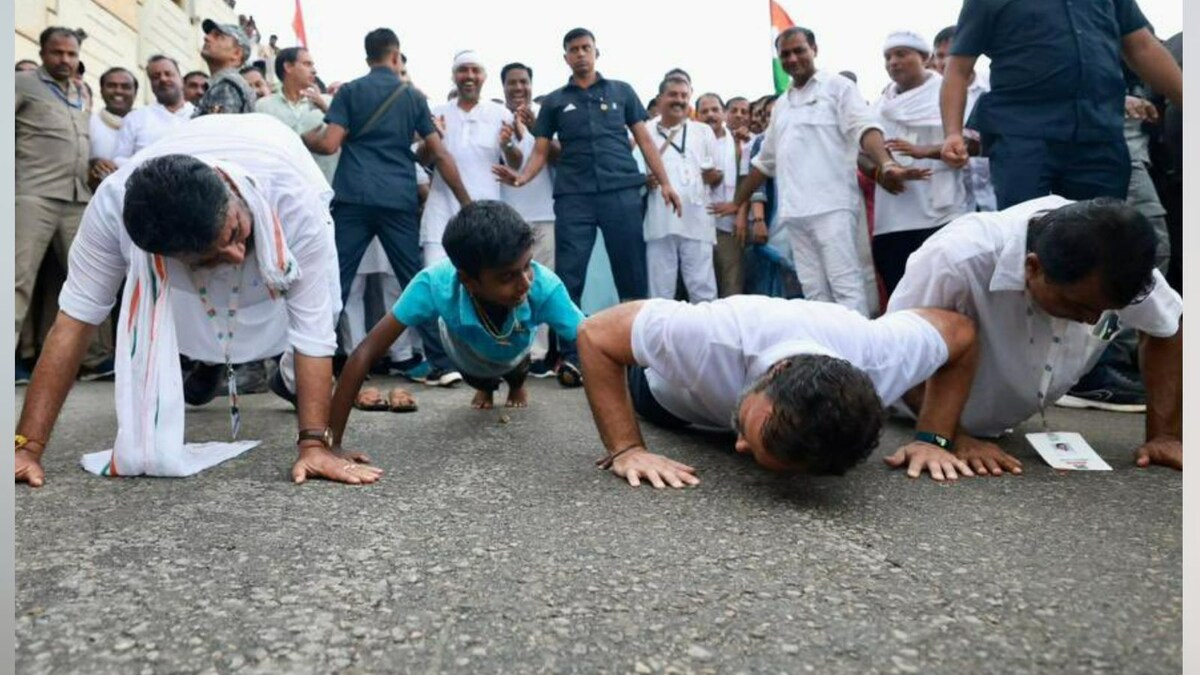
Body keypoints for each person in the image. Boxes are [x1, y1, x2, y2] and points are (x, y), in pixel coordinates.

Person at [14, 113, 377, 488]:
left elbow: (313, 333)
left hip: (275, 149)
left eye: (235, 231)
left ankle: (289, 378)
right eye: (212, 257)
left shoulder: (294, 201)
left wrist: (315, 445)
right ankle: (208, 360)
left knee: (324, 307)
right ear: (161, 256)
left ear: (229, 189)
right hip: (180, 228)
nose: (237, 255)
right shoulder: (110, 211)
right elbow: (73, 324)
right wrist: (26, 447)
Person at [888, 196, 1183, 472]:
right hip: (907, 413)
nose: (1092, 320)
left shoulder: (1121, 261)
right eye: (1079, 306)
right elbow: (902, 352)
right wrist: (950, 436)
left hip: (1001, 421)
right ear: (1033, 266)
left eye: (1108, 311)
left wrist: (1165, 435)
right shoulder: (958, 258)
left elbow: (1168, 327)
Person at [576, 295, 980, 488]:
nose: (737, 448)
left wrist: (933, 437)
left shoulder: (881, 355)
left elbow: (960, 332)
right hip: (665, 397)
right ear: (777, 372)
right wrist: (626, 449)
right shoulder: (710, 336)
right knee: (626, 351)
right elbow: (596, 334)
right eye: (750, 434)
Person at [492, 27, 683, 388]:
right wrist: (520, 179)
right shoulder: (554, 102)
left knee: (631, 274)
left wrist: (667, 183)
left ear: (597, 52)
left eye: (586, 48)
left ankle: (637, 354)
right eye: (573, 50)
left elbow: (644, 140)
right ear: (565, 57)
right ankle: (573, 355)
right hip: (574, 196)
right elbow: (541, 149)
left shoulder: (621, 91)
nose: (580, 54)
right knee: (570, 275)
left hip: (620, 192)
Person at [714, 27, 928, 317]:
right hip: (795, 213)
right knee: (814, 290)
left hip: (833, 208)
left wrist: (886, 163)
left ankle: (856, 354)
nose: (792, 58)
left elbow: (864, 129)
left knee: (846, 286)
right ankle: (827, 357)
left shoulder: (837, 87)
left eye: (799, 50)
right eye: (785, 54)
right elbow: (765, 162)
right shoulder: (783, 105)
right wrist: (737, 202)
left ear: (814, 49)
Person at [330, 201, 585, 442]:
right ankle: (485, 386)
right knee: (477, 376)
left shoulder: (545, 287)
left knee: (516, 366)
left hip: (517, 350)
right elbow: (365, 352)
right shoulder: (434, 284)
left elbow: (594, 342)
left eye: (527, 265)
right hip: (466, 352)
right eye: (507, 277)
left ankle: (516, 385)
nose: (525, 283)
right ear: (468, 280)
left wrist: (622, 443)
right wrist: (331, 444)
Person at [303, 28, 473, 388]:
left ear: (368, 59)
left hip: (354, 196)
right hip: (397, 198)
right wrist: (467, 202)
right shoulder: (412, 97)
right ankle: (441, 363)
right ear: (396, 56)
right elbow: (438, 152)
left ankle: (312, 363)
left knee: (337, 279)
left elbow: (331, 143)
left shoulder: (349, 91)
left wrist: (306, 139)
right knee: (414, 278)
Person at [940, 0, 1183, 209]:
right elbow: (958, 70)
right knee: (1026, 230)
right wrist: (952, 133)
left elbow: (1142, 47)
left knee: (1103, 236)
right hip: (1022, 138)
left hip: (1099, 136)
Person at [15, 27, 101, 386]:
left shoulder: (81, 91)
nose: (65, 60)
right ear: (42, 52)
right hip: (32, 193)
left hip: (77, 197)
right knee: (17, 280)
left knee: (91, 279)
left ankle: (96, 361)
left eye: (71, 54)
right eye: (57, 53)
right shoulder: (21, 84)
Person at [859, 31, 967, 294]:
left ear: (925, 57)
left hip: (942, 214)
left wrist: (925, 152)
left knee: (950, 296)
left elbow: (970, 145)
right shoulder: (878, 107)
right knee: (903, 299)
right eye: (888, 57)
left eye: (901, 54)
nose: (893, 62)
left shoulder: (948, 96)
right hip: (893, 222)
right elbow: (860, 153)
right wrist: (881, 172)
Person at [418, 50, 522, 266]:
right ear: (454, 76)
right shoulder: (438, 112)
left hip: (486, 218)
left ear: (484, 76)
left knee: (482, 283)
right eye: (463, 70)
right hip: (441, 216)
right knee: (438, 281)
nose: (470, 76)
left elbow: (515, 164)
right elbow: (422, 159)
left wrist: (508, 144)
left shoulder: (500, 113)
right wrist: (434, 137)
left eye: (476, 70)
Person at [499, 61, 561, 377]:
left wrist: (540, 129)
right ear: (503, 86)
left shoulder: (546, 112)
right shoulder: (494, 116)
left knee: (540, 283)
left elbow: (561, 156)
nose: (518, 88)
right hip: (508, 214)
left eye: (523, 81)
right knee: (507, 285)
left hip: (543, 213)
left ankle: (539, 353)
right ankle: (510, 349)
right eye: (512, 83)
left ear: (531, 84)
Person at [643, 76, 721, 302]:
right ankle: (661, 338)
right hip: (660, 219)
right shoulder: (644, 130)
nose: (679, 100)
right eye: (673, 95)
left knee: (703, 288)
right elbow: (636, 174)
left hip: (696, 218)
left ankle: (707, 337)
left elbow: (716, 175)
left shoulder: (702, 131)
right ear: (660, 99)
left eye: (684, 96)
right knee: (660, 291)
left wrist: (711, 176)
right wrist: (644, 182)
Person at [931, 25, 995, 213]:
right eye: (940, 56)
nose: (945, 62)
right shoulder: (925, 97)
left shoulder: (993, 86)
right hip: (954, 203)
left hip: (996, 192)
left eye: (951, 55)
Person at [697, 92, 743, 297]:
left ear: (724, 114)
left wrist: (740, 210)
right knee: (701, 284)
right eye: (704, 111)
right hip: (697, 225)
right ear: (696, 116)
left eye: (715, 110)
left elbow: (746, 180)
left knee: (731, 283)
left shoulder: (739, 143)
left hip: (728, 224)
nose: (710, 115)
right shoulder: (690, 141)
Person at [113, 55, 195, 165]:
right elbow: (119, 160)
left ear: (181, 80)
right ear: (151, 84)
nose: (163, 79)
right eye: (156, 77)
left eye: (168, 74)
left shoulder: (200, 116)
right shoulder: (135, 118)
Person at [193, 18, 256, 116]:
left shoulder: (227, 86)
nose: (206, 38)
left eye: (218, 36)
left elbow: (216, 127)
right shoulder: (225, 84)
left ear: (236, 53)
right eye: (209, 34)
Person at [87, 66, 137, 188]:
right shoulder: (88, 122)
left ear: (135, 93)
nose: (118, 91)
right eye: (111, 86)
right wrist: (93, 164)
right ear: (101, 91)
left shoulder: (146, 124)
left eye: (125, 87)